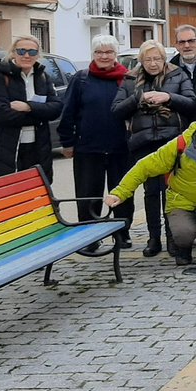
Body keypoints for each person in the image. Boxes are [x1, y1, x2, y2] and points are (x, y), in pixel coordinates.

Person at [105, 110, 196, 267]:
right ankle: (184, 249)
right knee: (184, 233)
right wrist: (120, 193)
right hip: (182, 202)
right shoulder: (180, 145)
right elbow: (144, 167)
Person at [113, 39, 196, 256]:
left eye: (157, 58)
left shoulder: (178, 75)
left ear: (164, 59)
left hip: (171, 141)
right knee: (151, 192)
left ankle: (172, 238)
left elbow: (192, 104)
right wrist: (137, 99)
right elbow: (116, 111)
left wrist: (169, 97)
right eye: (148, 59)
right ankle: (153, 238)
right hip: (143, 142)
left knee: (171, 191)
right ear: (141, 61)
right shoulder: (130, 79)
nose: (153, 63)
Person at [59, 35, 132, 249]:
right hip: (88, 148)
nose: (104, 56)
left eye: (108, 52)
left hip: (121, 147)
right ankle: (89, 236)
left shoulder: (127, 78)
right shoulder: (82, 79)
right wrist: (67, 142)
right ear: (93, 55)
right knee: (88, 194)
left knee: (122, 192)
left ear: (115, 55)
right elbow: (68, 113)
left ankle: (122, 233)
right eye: (99, 52)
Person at [0, 35, 62, 182]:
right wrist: (39, 114)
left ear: (38, 55)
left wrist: (29, 107)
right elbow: (0, 113)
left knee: (35, 190)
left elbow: (55, 108)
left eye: (32, 52)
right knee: (6, 192)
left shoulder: (43, 77)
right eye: (22, 51)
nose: (27, 55)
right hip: (3, 148)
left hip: (37, 147)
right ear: (13, 53)